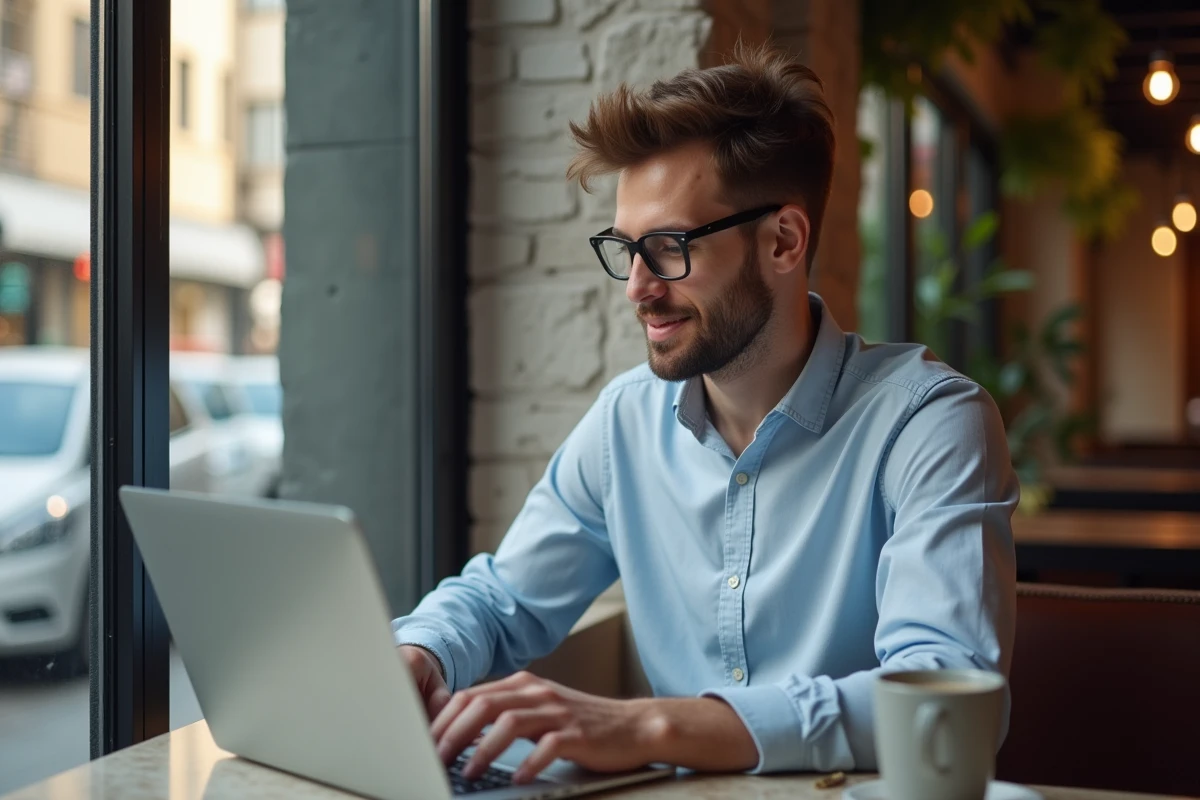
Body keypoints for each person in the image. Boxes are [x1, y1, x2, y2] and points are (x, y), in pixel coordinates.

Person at [392, 43, 1018, 784]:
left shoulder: (931, 424)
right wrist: (420, 653)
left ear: (783, 240)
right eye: (626, 250)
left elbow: (941, 694)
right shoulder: (625, 422)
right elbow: (501, 600)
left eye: (667, 248)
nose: (635, 288)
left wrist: (650, 724)